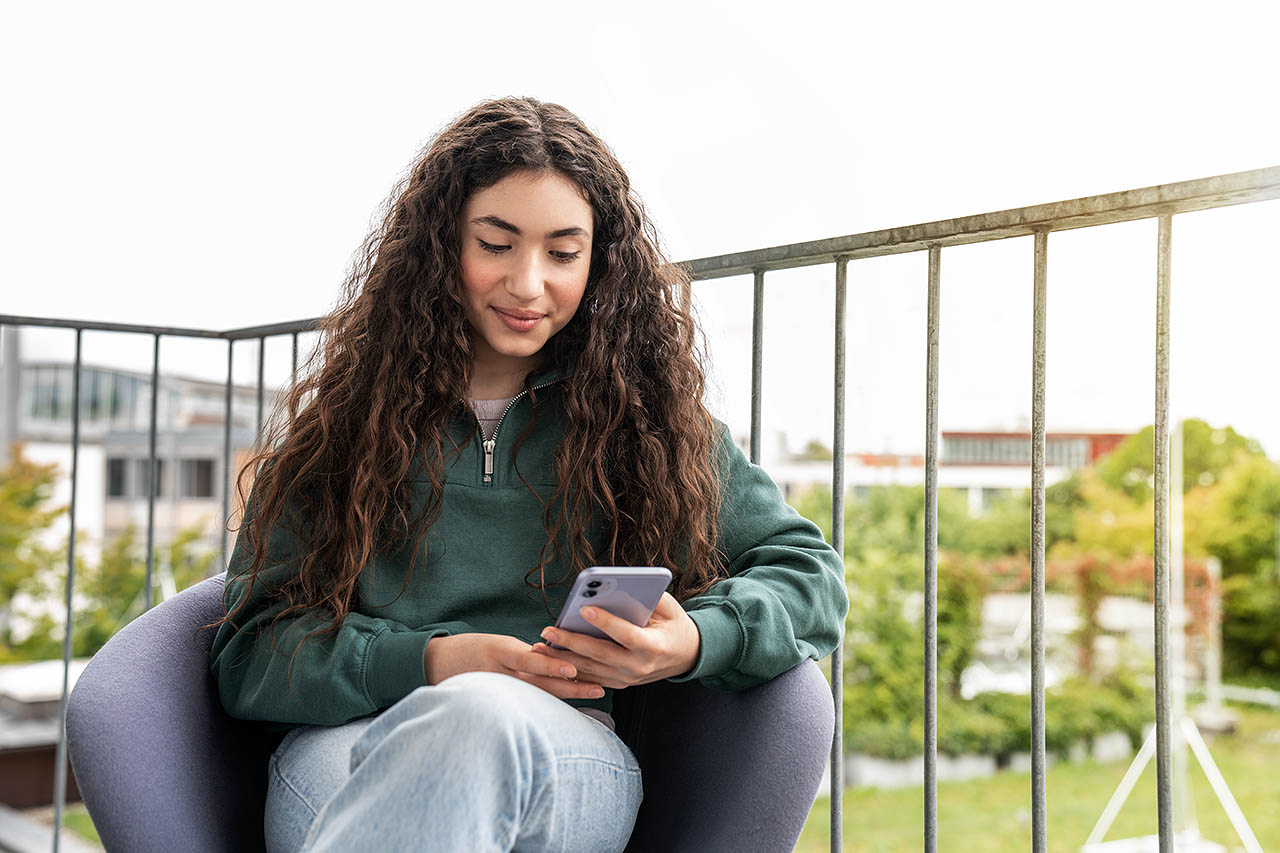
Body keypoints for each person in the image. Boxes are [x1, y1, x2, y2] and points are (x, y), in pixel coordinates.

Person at [206, 95, 849, 853]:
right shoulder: (340, 435)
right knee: (464, 719)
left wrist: (695, 641)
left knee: (480, 721)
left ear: (598, 262)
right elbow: (249, 654)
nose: (528, 283)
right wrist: (440, 661)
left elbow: (809, 575)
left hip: (567, 755)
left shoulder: (654, 430)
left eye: (562, 252)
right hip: (343, 752)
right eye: (496, 243)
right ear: (441, 246)